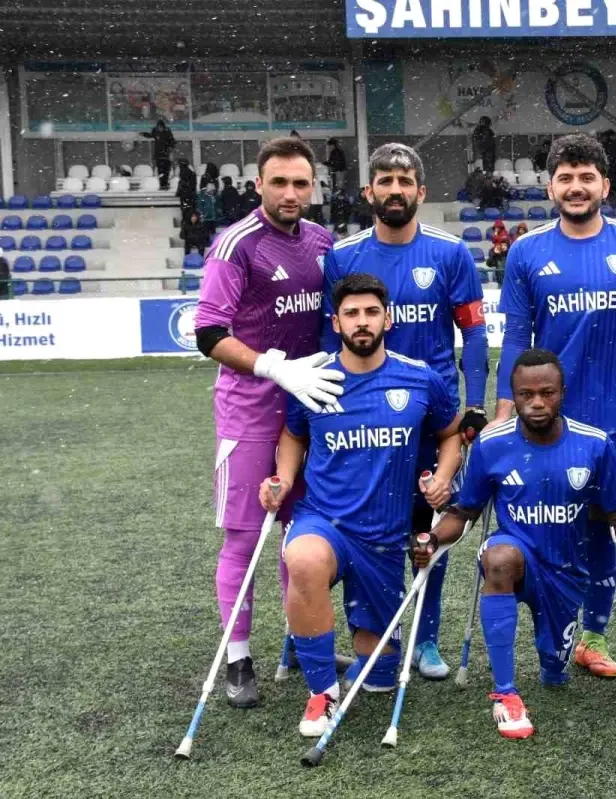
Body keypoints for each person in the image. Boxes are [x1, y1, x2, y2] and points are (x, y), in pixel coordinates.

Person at [494, 133, 616, 679]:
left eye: (586, 177)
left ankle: (592, 636)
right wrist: (504, 410)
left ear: (605, 186)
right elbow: (516, 339)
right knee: (549, 522)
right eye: (565, 178)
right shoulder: (526, 251)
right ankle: (554, 631)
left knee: (606, 520)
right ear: (550, 187)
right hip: (549, 419)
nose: (576, 187)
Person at [261, 272, 463, 737]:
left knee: (379, 677)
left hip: (384, 537)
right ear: (336, 323)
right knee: (302, 558)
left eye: (372, 312)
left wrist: (444, 477)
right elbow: (293, 435)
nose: (362, 321)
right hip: (324, 520)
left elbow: (450, 432)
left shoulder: (419, 378)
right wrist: (283, 478)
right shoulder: (314, 378)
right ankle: (321, 692)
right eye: (351, 313)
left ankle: (336, 647)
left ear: (387, 320)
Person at [322, 143, 489, 680]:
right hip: (365, 417)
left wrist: (475, 403)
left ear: (421, 190)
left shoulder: (450, 253)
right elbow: (329, 336)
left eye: (404, 181)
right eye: (385, 181)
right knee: (364, 528)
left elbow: (474, 333)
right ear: (368, 191)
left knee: (429, 527)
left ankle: (426, 637)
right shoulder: (343, 257)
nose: (395, 190)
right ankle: (376, 635)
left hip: (431, 418)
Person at [422, 349, 616, 739]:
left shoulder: (594, 444)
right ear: (514, 396)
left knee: (554, 672)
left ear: (563, 393)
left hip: (566, 571)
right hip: (517, 554)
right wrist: (432, 538)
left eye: (547, 393)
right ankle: (505, 694)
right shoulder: (492, 444)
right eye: (526, 394)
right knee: (499, 559)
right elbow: (465, 512)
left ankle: (557, 659)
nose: (537, 403)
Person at [192, 136, 340, 709]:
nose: (290, 193)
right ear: (259, 185)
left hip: (310, 408)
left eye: (300, 183)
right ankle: (239, 657)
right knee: (246, 536)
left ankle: (302, 642)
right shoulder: (236, 244)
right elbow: (208, 332)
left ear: (313, 187)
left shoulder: (322, 241)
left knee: (301, 534)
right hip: (251, 410)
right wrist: (272, 367)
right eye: (279, 182)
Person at [139, 120, 176, 190]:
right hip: (158, 155)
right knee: (160, 171)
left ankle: (165, 184)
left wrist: (169, 148)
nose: (159, 128)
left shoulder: (167, 133)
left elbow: (173, 142)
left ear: (163, 127)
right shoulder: (156, 132)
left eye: (160, 127)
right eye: (158, 127)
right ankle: (162, 185)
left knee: (166, 171)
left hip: (166, 155)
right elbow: (150, 135)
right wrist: (143, 134)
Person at [601, 130, 616, 206]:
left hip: (608, 172)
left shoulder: (604, 145)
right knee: (614, 190)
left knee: (609, 189)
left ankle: (607, 205)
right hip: (613, 172)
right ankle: (614, 205)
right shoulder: (615, 145)